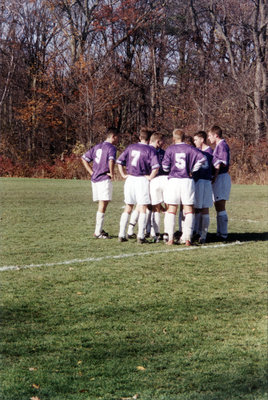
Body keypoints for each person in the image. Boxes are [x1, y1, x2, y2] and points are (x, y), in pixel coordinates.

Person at [162, 128, 206, 246]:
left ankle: (170, 238)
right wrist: (192, 170)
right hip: (187, 180)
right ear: (184, 137)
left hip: (174, 180)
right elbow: (202, 158)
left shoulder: (170, 149)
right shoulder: (190, 148)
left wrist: (171, 169)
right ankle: (187, 238)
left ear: (173, 138)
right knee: (189, 210)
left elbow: (165, 167)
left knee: (171, 210)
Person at [116, 127, 160, 243]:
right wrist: (150, 177)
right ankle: (140, 236)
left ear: (139, 137)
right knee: (143, 207)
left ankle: (121, 234)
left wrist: (123, 175)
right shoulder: (151, 150)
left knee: (128, 206)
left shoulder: (131, 147)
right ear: (149, 138)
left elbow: (119, 162)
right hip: (141, 179)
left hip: (130, 179)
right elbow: (156, 167)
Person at [81, 127, 119, 238]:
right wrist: (112, 173)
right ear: (113, 137)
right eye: (117, 137)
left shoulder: (97, 146)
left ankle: (99, 229)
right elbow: (111, 160)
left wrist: (91, 172)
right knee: (103, 205)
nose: (118, 140)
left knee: (101, 205)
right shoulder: (111, 147)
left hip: (95, 179)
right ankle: (97, 232)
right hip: (103, 178)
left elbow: (84, 158)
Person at [208, 125, 231, 240]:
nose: (208, 138)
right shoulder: (218, 145)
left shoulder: (222, 146)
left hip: (221, 177)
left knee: (220, 205)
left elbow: (221, 163)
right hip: (219, 177)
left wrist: (215, 177)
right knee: (218, 205)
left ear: (215, 135)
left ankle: (223, 234)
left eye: (210, 136)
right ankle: (220, 232)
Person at [193, 130, 213, 244]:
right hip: (206, 182)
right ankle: (200, 233)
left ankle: (201, 233)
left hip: (201, 181)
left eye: (196, 139)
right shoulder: (210, 151)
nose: (195, 142)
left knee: (201, 208)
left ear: (202, 139)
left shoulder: (206, 152)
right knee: (202, 208)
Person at [149, 132, 168, 242]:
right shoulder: (164, 153)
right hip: (164, 179)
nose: (163, 144)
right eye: (162, 142)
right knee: (167, 207)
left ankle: (155, 234)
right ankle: (166, 234)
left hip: (154, 180)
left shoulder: (146, 150)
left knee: (155, 208)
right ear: (158, 141)